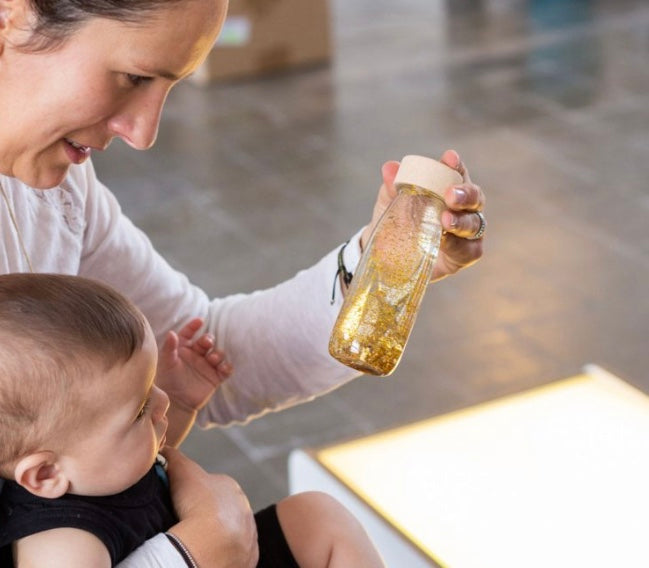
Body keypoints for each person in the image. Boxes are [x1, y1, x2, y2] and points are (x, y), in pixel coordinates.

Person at [0, 0, 486, 565]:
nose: (144, 132)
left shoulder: (52, 191)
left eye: (169, 86)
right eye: (134, 76)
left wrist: (383, 267)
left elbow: (209, 356)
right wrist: (196, 554)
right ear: (12, 14)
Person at [0, 273, 386, 568]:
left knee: (315, 516)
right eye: (138, 412)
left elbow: (152, 458)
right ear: (46, 475)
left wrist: (183, 404)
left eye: (151, 385)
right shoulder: (62, 541)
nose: (161, 401)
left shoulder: (90, 463)